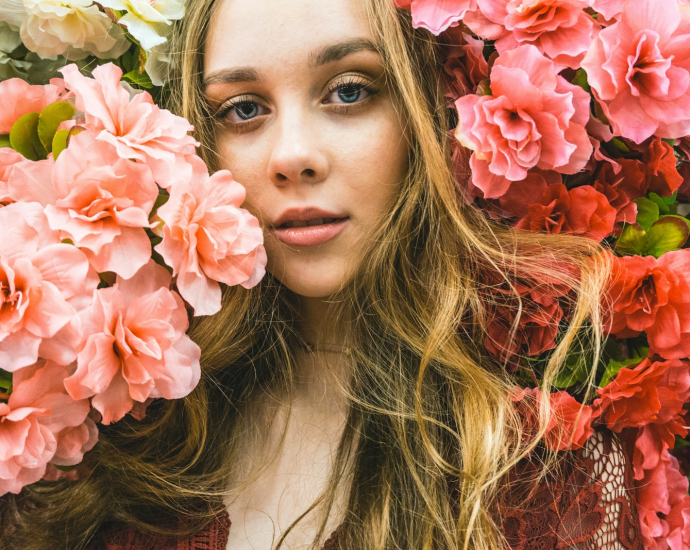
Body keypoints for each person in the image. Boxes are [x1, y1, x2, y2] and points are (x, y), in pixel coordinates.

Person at [0, 0, 644, 548]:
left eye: (350, 91)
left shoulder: (548, 470)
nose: (293, 156)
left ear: (425, 114)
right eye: (244, 109)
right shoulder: (103, 431)